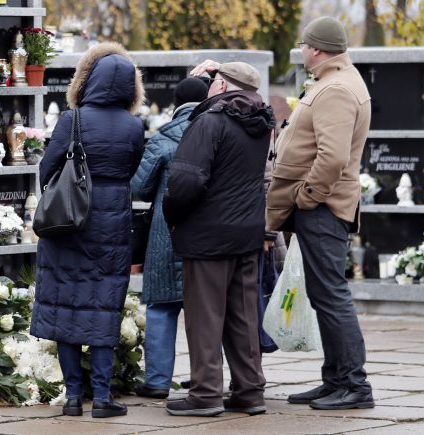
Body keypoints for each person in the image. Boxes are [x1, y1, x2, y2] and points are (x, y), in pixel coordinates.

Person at [30, 43, 145, 419]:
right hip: (111, 225)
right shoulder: (133, 126)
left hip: (68, 223)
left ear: (88, 80)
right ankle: (104, 397)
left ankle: (74, 398)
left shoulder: (72, 120)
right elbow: (131, 170)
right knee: (102, 307)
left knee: (67, 307)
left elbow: (47, 169)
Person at [266, 17, 374, 410]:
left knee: (331, 294)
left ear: (316, 48)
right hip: (322, 206)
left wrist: (307, 196)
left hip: (324, 207)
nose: (302, 50)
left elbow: (333, 155)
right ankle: (336, 380)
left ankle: (356, 385)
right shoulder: (336, 81)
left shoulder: (336, 88)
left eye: (305, 45)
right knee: (324, 293)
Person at [162, 61, 275, 417]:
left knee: (206, 316)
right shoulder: (262, 124)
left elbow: (185, 181)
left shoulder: (209, 121)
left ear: (224, 87)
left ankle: (206, 393)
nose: (208, 87)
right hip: (247, 233)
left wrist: (173, 217)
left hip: (208, 235)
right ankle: (250, 390)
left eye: (212, 82)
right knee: (243, 317)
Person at [131, 77, 208, 399]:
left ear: (176, 103)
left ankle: (158, 382)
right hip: (206, 234)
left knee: (161, 307)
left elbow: (139, 188)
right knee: (206, 310)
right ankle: (206, 379)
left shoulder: (163, 139)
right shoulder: (216, 134)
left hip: (165, 236)